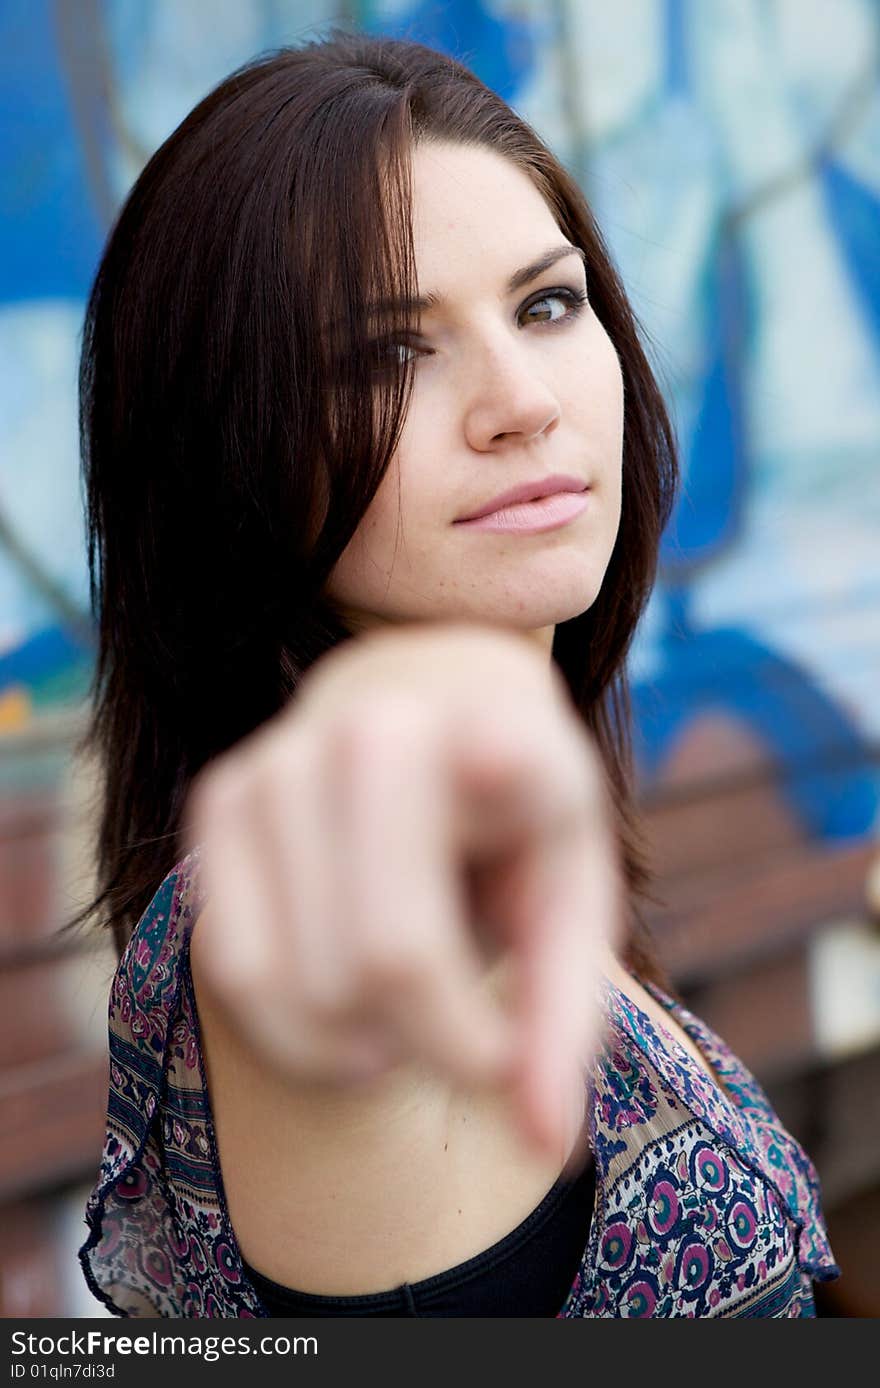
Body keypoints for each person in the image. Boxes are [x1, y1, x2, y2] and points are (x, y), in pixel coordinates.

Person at [71, 30, 838, 1317]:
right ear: (232, 454)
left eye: (547, 303)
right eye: (388, 352)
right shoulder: (320, 905)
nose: (521, 401)